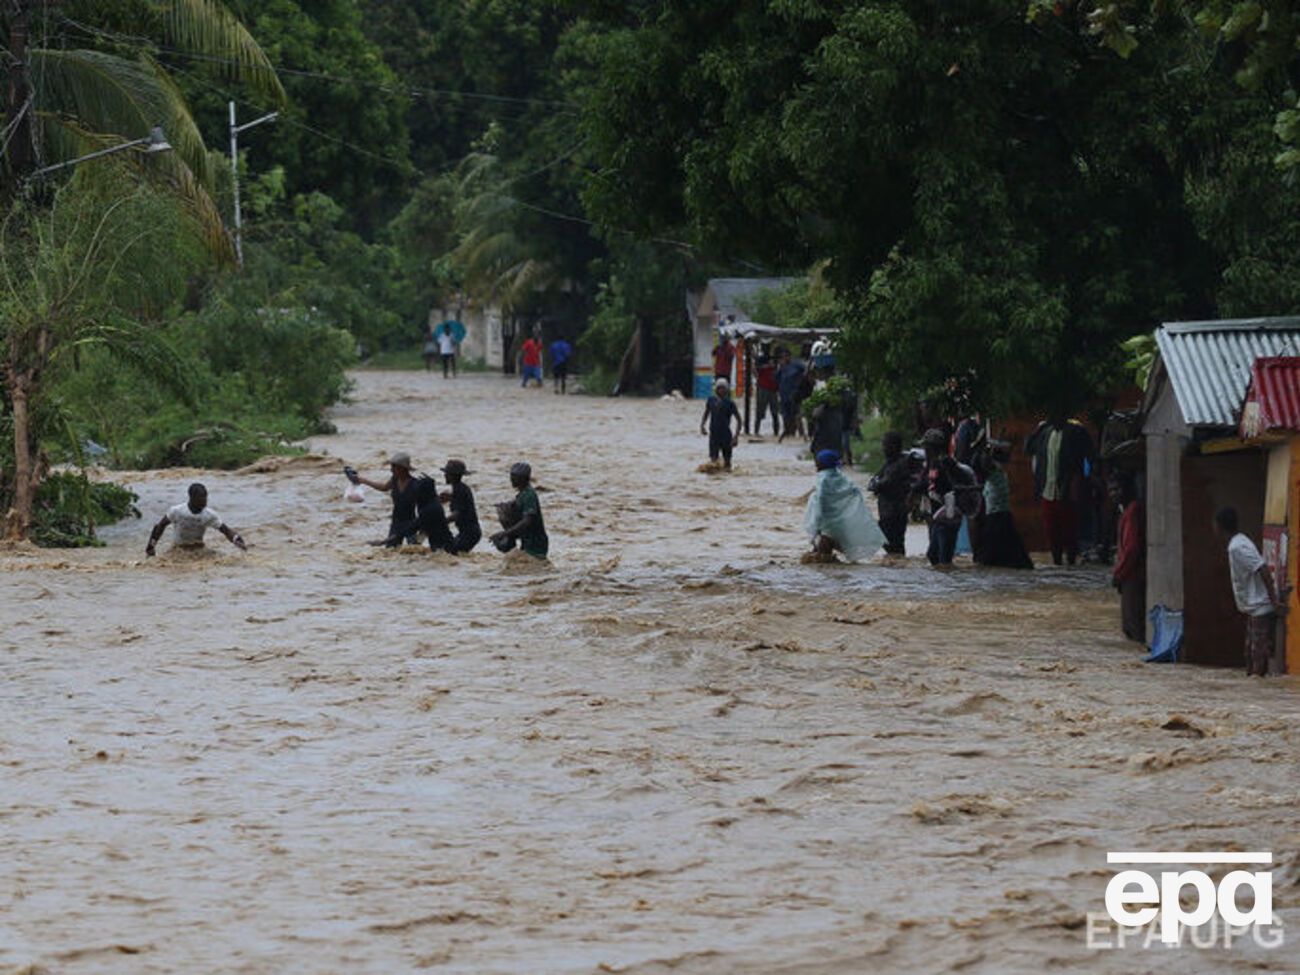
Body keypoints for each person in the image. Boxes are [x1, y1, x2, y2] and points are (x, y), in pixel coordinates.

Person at [1215, 507, 1289, 676]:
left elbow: (1262, 568)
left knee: (1257, 658)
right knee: (1251, 655)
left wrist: (1274, 601)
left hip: (1260, 608)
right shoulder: (1239, 542)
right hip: (1254, 608)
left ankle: (1259, 693)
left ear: (1219, 526)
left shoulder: (1237, 548)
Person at [347, 451, 453, 552]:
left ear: (403, 469)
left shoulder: (415, 484)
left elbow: (427, 502)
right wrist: (363, 480)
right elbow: (383, 487)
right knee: (390, 551)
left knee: (414, 552)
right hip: (396, 522)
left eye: (394, 467)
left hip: (411, 522)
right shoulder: (394, 480)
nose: (391, 470)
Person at [1027, 414, 1094, 566]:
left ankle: (1071, 562)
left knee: (1070, 531)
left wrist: (1085, 481)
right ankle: (1057, 564)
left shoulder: (1076, 432)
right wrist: (1038, 430)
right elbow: (1028, 448)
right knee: (1052, 531)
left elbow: (1090, 456)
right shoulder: (1044, 432)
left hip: (1067, 490)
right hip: (1047, 491)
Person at [804, 449, 884, 562]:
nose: (815, 463)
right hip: (839, 524)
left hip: (826, 525)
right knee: (826, 555)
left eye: (818, 461)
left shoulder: (823, 480)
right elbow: (854, 492)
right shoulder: (841, 477)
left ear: (823, 463)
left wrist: (816, 525)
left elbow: (820, 503)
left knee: (822, 558)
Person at [973, 441, 1033, 569]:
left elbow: (981, 463)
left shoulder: (995, 471)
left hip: (996, 515)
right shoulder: (999, 473)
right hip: (1000, 514)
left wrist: (982, 448)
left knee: (991, 555)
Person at [145, 482, 247, 556]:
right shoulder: (177, 511)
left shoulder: (209, 515)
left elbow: (225, 530)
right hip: (178, 550)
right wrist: (151, 546)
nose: (205, 500)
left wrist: (236, 540)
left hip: (199, 550)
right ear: (192, 497)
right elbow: (161, 526)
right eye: (201, 497)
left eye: (205, 496)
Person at [1109, 470, 1144, 642]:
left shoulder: (1131, 513)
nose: (1113, 494)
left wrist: (1118, 574)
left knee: (1133, 628)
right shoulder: (1128, 511)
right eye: (1111, 491)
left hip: (1132, 577)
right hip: (1130, 576)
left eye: (1117, 489)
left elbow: (1131, 548)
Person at [921, 428, 963, 567]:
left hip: (948, 514)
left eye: (926, 446)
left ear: (932, 447)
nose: (925, 450)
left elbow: (955, 485)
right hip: (937, 515)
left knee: (944, 558)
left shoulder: (946, 462)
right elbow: (924, 484)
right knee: (933, 555)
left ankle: (950, 583)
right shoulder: (931, 464)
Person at [491, 462, 549, 559]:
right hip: (526, 541)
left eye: (515, 477)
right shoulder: (522, 495)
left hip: (536, 544)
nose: (512, 480)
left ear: (524, 478)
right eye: (511, 476)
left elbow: (527, 520)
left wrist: (505, 533)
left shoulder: (529, 495)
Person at [869, 431, 913, 556]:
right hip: (889, 510)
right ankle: (896, 566)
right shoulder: (890, 462)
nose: (883, 448)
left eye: (885, 445)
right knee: (894, 543)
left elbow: (883, 483)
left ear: (893, 446)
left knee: (892, 542)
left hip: (895, 510)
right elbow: (875, 480)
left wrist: (876, 485)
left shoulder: (899, 464)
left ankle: (897, 568)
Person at [439, 459, 481, 554]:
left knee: (451, 552)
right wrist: (449, 498)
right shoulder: (460, 488)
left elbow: (457, 514)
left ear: (452, 475)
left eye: (447, 473)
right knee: (450, 551)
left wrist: (441, 523)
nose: (444, 475)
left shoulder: (459, 490)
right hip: (468, 532)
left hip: (469, 533)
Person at [700, 377, 742, 470]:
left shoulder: (730, 403)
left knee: (727, 462)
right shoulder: (711, 400)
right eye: (719, 388)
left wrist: (736, 437)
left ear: (727, 390)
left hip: (726, 436)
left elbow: (739, 420)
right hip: (714, 435)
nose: (721, 390)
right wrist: (702, 426)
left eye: (723, 388)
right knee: (713, 462)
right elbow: (706, 414)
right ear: (716, 389)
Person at [776, 347, 806, 443]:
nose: (784, 358)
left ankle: (802, 436)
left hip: (795, 395)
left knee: (797, 417)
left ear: (790, 356)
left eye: (786, 356)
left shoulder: (797, 364)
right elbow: (776, 379)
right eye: (782, 356)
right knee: (786, 417)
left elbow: (807, 371)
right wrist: (780, 367)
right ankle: (789, 435)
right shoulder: (782, 367)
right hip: (784, 396)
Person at [755, 351, 780, 436]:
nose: (772, 363)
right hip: (763, 389)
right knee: (759, 412)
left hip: (773, 391)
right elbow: (755, 369)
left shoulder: (776, 370)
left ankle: (776, 432)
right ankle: (756, 431)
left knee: (775, 412)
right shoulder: (762, 368)